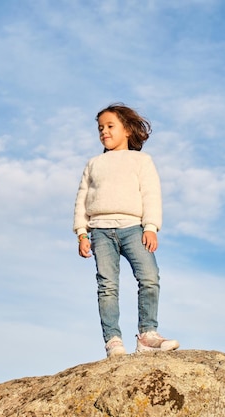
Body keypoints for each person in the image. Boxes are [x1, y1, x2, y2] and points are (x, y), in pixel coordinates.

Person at [73, 103, 179, 357]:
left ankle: (147, 335)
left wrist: (151, 227)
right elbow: (81, 199)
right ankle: (113, 340)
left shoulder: (141, 160)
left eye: (110, 126)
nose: (104, 132)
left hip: (134, 228)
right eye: (100, 128)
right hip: (100, 231)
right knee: (107, 286)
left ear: (127, 130)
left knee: (150, 278)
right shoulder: (94, 163)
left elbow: (151, 194)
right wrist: (81, 233)